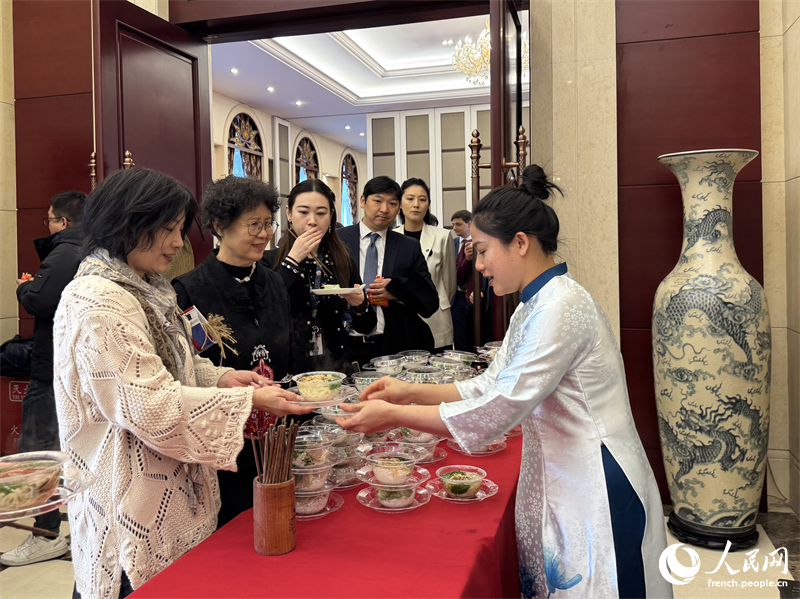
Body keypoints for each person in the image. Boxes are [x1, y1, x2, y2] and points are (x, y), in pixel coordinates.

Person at [338, 165, 672, 599]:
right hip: (560, 474)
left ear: (520, 243)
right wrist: (408, 390)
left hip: (594, 482)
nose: (477, 266)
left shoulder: (560, 308)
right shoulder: (534, 303)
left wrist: (393, 415)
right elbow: (490, 384)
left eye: (481, 251)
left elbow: (498, 409)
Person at [53, 169, 312, 599]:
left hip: (172, 487)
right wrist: (248, 400)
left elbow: (177, 364)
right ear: (129, 225)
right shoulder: (97, 301)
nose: (178, 244)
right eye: (169, 230)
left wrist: (223, 376)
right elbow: (149, 403)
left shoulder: (149, 287)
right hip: (128, 495)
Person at [172, 175, 303, 528]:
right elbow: (193, 369)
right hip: (225, 444)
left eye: (268, 224)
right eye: (253, 225)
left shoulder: (274, 282)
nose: (265, 234)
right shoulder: (189, 291)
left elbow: (289, 356)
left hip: (278, 437)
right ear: (219, 226)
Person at [1, 191, 87, 567]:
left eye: (49, 219)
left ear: (63, 222)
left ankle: (46, 533)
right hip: (74, 368)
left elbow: (39, 300)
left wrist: (24, 286)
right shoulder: (92, 248)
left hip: (53, 370)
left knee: (41, 453)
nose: (48, 225)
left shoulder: (65, 251)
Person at [261, 178, 375, 374]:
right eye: (303, 212)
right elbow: (266, 312)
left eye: (321, 213)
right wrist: (292, 260)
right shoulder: (268, 260)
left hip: (338, 368)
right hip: (289, 369)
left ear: (331, 216)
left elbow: (367, 326)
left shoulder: (343, 261)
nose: (312, 220)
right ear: (289, 213)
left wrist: (360, 305)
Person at [337, 176, 439, 364]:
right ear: (362, 201)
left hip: (392, 346)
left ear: (398, 207)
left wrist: (396, 290)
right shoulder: (337, 240)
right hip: (343, 345)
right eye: (377, 201)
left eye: (392, 203)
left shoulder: (408, 246)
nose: (384, 209)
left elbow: (430, 300)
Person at [395, 178, 456, 353]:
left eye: (422, 200)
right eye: (410, 199)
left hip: (435, 317)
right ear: (400, 204)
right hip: (401, 318)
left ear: (428, 204)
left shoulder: (442, 236)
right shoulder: (391, 237)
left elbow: (449, 283)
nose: (416, 205)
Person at [450, 209, 473, 350]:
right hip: (456, 294)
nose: (454, 228)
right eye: (453, 224)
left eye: (458, 224)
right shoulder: (451, 243)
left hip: (473, 294)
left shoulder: (477, 242)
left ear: (469, 223)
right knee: (458, 333)